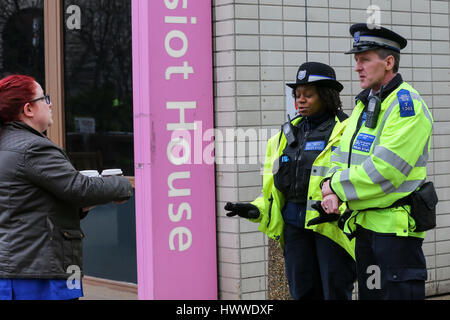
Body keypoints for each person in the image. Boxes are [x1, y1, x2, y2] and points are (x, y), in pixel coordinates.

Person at [321, 24, 434, 300]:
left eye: (365, 60)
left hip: (394, 235)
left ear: (389, 62)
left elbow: (385, 171)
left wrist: (334, 185)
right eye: (356, 61)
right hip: (366, 229)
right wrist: (330, 185)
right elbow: (340, 153)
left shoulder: (406, 105)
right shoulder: (365, 103)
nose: (357, 67)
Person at [225, 62, 356, 300]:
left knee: (334, 293)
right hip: (294, 226)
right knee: (302, 292)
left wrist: (341, 210)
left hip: (330, 226)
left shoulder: (347, 131)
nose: (301, 100)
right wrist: (257, 208)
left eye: (308, 94)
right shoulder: (284, 135)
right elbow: (277, 189)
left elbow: (355, 181)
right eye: (297, 95)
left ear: (327, 95)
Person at [0, 74, 133, 300]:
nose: (50, 104)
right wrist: (120, 185)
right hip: (37, 274)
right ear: (28, 109)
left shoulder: (7, 144)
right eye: (45, 98)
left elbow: (24, 204)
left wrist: (79, 207)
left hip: (17, 268)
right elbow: (79, 188)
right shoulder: (33, 148)